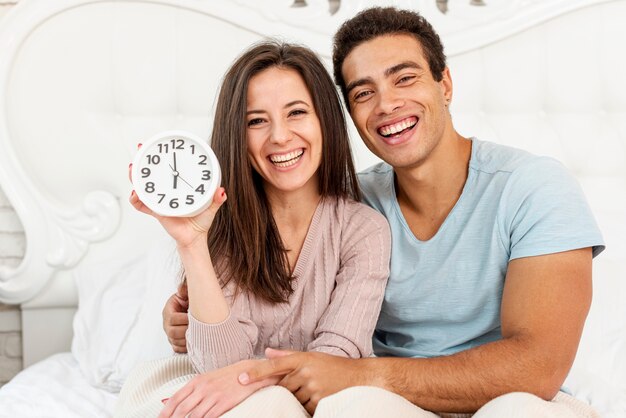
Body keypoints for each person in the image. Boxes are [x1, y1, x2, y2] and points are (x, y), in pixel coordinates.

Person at [163, 6, 605, 418]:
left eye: (404, 78)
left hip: (506, 401)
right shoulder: (353, 201)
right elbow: (280, 302)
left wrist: (361, 374)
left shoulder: (534, 188)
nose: (386, 104)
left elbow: (537, 367)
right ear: (348, 114)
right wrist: (197, 311)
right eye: (363, 92)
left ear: (445, 85)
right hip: (384, 404)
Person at [120, 40, 391, 418]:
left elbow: (336, 360)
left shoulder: (364, 231)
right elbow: (219, 365)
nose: (280, 136)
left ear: (325, 120)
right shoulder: (221, 223)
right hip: (219, 389)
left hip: (304, 395)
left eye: (296, 112)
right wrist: (192, 244)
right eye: (256, 120)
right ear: (237, 135)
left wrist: (252, 374)